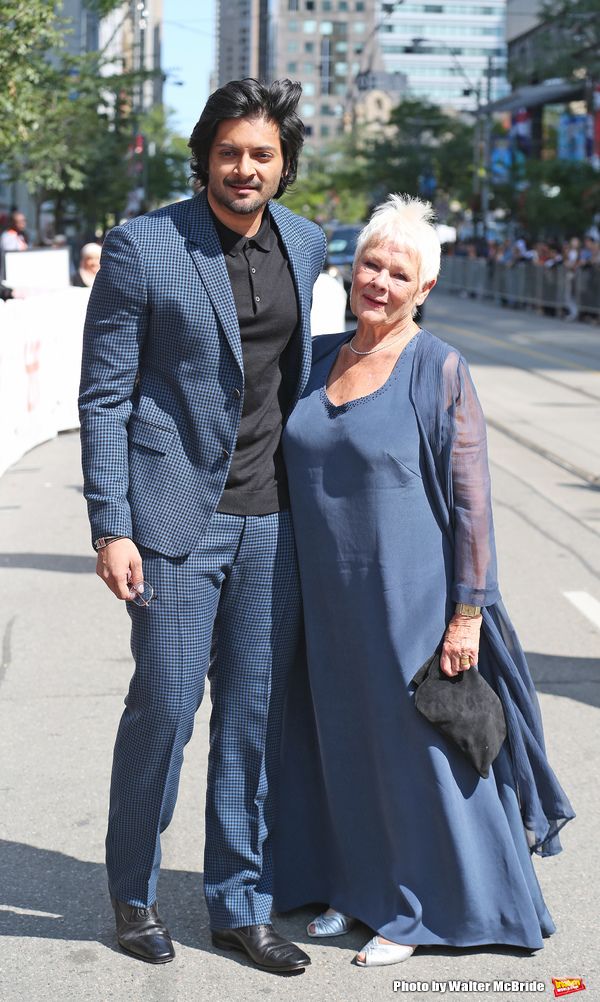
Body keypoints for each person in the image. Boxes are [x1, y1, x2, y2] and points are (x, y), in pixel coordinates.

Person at [273, 194, 574, 967]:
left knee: (416, 755)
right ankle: (358, 889)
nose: (378, 281)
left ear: (422, 289)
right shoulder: (316, 357)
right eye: (370, 264)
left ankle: (419, 909)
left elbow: (472, 501)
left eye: (397, 273)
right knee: (340, 746)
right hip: (323, 598)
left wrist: (466, 613)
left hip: (408, 598)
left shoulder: (438, 367)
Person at [78, 78, 327, 972]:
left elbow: (304, 372)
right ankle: (134, 893)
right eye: (230, 152)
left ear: (284, 164)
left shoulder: (306, 242)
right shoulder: (145, 246)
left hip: (275, 523)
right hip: (174, 522)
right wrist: (113, 525)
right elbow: (104, 397)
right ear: (206, 158)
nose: (245, 168)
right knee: (166, 711)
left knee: (254, 723)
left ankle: (241, 903)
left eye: (262, 154)